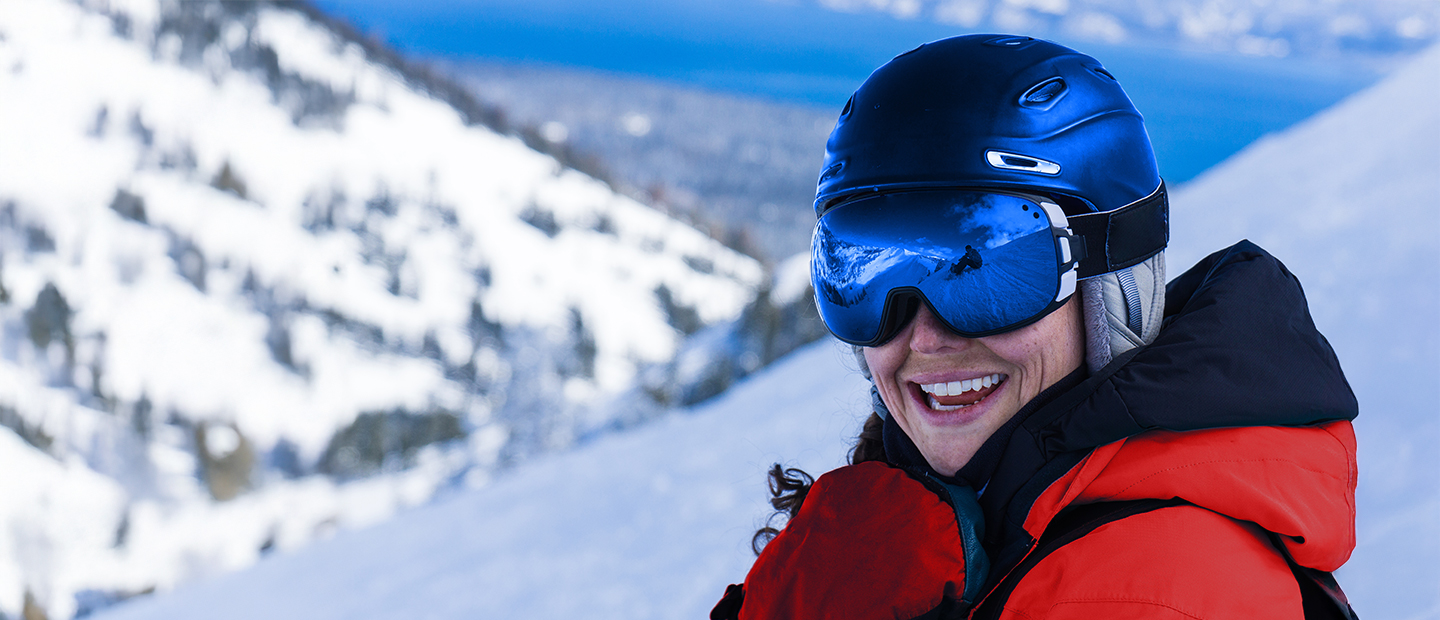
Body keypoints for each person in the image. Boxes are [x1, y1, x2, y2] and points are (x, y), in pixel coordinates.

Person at [711, 34, 1359, 619]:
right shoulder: (960, 533)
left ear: (1113, 290)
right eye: (868, 275)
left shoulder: (1148, 591)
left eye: (995, 274)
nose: (927, 338)